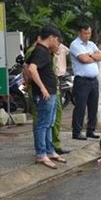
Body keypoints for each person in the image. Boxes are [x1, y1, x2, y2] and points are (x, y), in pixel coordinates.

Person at [26, 25, 66, 169]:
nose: (57, 44)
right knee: (43, 124)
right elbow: (31, 68)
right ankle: (41, 154)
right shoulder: (41, 51)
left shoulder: (41, 50)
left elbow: (26, 64)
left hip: (50, 92)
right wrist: (42, 87)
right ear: (51, 38)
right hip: (45, 94)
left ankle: (50, 151)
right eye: (57, 41)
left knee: (49, 123)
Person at [69, 23, 101, 140]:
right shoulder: (75, 44)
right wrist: (92, 56)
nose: (87, 35)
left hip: (93, 80)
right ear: (80, 33)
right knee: (80, 106)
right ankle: (77, 131)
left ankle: (91, 130)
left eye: (89, 33)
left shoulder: (91, 44)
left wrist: (91, 55)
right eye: (85, 33)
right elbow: (83, 59)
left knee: (93, 106)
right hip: (82, 81)